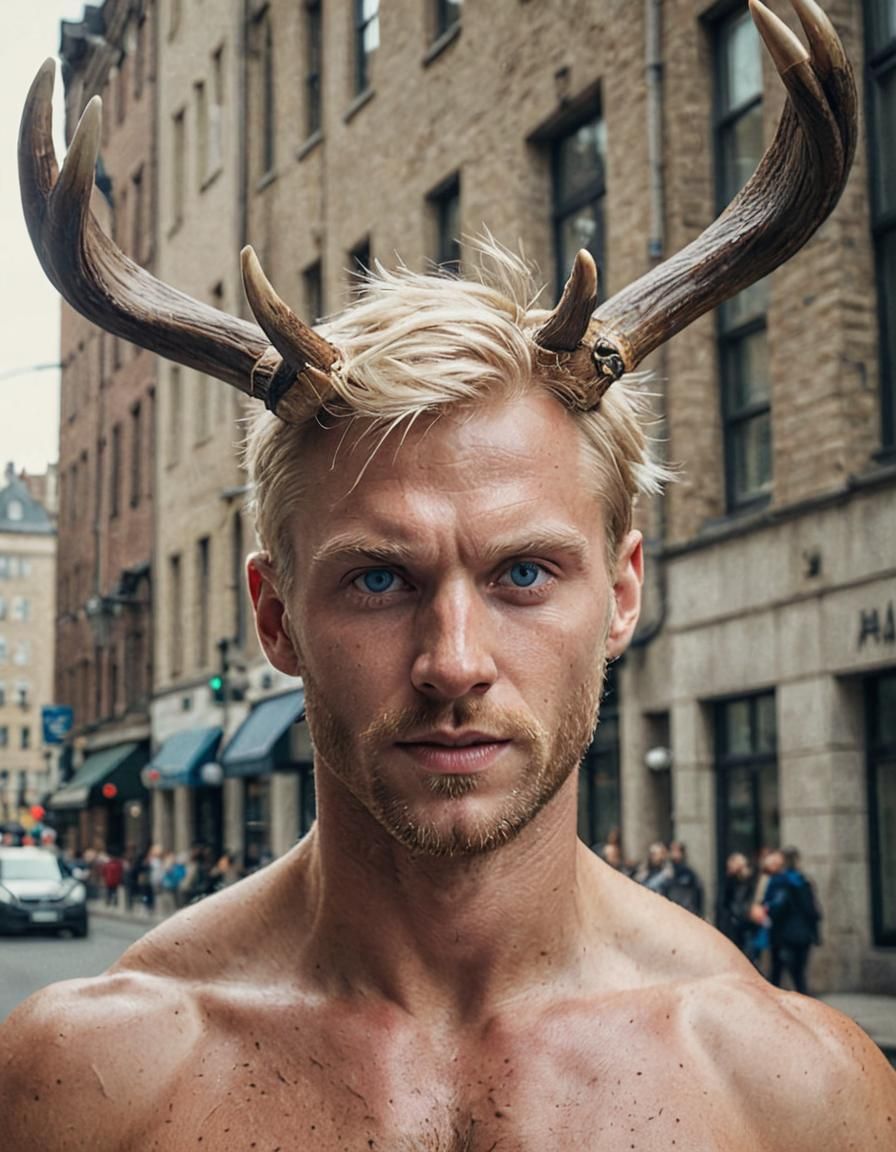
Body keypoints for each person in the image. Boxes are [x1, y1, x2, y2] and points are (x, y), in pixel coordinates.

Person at [5, 10, 894, 1143]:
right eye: (379, 580)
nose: (453, 662)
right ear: (274, 617)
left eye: (523, 571)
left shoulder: (791, 1089)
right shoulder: (89, 1079)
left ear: (622, 591)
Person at [763, 847, 823, 997]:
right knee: (799, 974)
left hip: (784, 935)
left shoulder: (780, 882)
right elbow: (813, 911)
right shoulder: (803, 881)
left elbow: (775, 909)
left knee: (778, 974)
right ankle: (804, 1003)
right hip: (803, 935)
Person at [666, 840, 704, 918]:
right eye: (671, 850)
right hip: (669, 912)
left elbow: (698, 892)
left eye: (676, 850)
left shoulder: (688, 873)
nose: (674, 854)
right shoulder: (665, 872)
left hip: (686, 912)